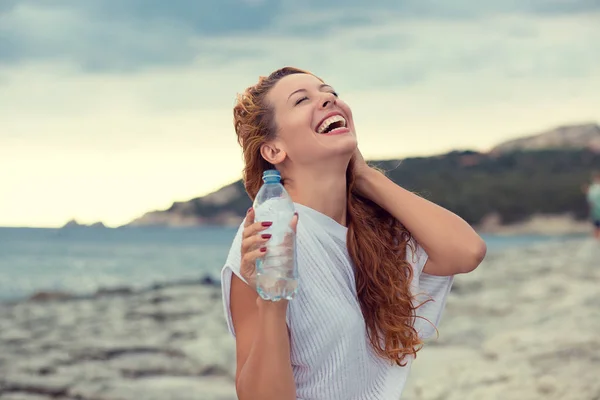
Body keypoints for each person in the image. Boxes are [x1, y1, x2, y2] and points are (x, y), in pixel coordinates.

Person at [220, 67, 487, 400]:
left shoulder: (374, 233)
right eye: (302, 100)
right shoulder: (269, 236)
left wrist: (364, 176)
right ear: (274, 151)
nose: (328, 99)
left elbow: (467, 251)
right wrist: (272, 302)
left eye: (329, 91)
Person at [586, 172, 600, 240]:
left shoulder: (592, 188)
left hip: (595, 211)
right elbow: (590, 201)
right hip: (596, 211)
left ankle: (596, 240)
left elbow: (590, 201)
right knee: (596, 227)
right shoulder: (592, 188)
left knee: (596, 227)